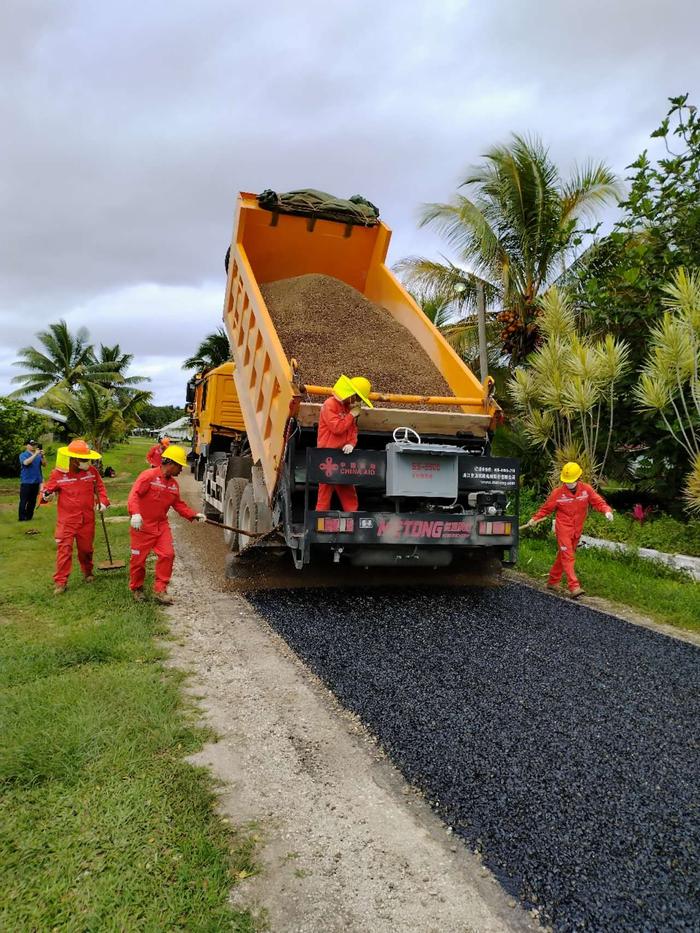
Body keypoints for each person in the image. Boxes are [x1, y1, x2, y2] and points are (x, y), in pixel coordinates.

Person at [127, 443, 206, 604]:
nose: (182, 470)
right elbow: (134, 495)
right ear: (171, 464)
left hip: (161, 526)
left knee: (168, 555)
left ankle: (160, 590)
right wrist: (135, 513)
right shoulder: (148, 476)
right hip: (142, 525)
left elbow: (178, 505)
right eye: (180, 466)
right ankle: (137, 588)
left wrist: (194, 515)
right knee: (138, 560)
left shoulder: (173, 485)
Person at [525, 461, 613, 598]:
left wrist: (606, 511)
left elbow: (598, 502)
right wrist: (535, 519)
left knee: (563, 555)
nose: (569, 483)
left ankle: (553, 581)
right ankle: (574, 587)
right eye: (567, 481)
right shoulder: (558, 493)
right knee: (568, 556)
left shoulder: (586, 490)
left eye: (572, 481)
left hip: (577, 529)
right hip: (564, 529)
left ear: (578, 478)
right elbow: (546, 509)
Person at [41, 439, 110, 595]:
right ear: (73, 459)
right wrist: (47, 496)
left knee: (86, 549)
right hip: (67, 521)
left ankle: (88, 571)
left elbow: (100, 489)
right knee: (64, 550)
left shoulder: (92, 472)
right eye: (84, 460)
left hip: (87, 519)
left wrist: (103, 502)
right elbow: (47, 492)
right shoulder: (58, 474)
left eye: (88, 459)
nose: (87, 463)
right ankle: (61, 582)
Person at [315, 375, 373, 512]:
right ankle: (319, 524)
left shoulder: (347, 408)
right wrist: (351, 415)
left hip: (343, 456)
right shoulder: (330, 404)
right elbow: (337, 428)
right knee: (324, 493)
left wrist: (351, 444)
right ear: (351, 394)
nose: (357, 402)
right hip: (327, 455)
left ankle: (353, 522)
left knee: (348, 491)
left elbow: (353, 432)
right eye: (358, 398)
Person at [18, 439, 45, 521]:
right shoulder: (23, 455)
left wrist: (43, 456)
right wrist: (35, 454)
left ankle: (29, 517)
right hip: (26, 481)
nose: (34, 446)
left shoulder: (38, 455)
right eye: (32, 444)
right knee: (24, 500)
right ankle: (22, 518)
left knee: (32, 501)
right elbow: (26, 463)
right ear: (27, 445)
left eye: (35, 444)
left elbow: (44, 464)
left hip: (36, 481)